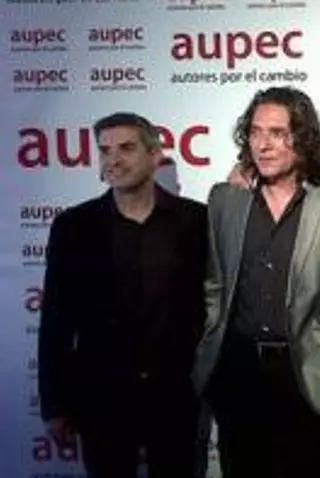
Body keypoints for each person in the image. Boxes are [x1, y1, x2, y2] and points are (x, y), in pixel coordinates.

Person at [192, 86, 320, 477]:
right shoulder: (225, 200)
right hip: (238, 374)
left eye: (277, 133)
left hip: (309, 377)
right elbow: (214, 286)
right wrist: (209, 351)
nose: (263, 145)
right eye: (255, 132)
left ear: (302, 139)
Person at [39, 112, 207, 477]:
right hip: (102, 398)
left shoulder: (196, 221)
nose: (113, 159)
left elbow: (211, 309)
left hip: (176, 397)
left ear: (154, 154)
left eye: (126, 148)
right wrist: (54, 405)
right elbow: (55, 320)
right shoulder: (74, 227)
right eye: (105, 150)